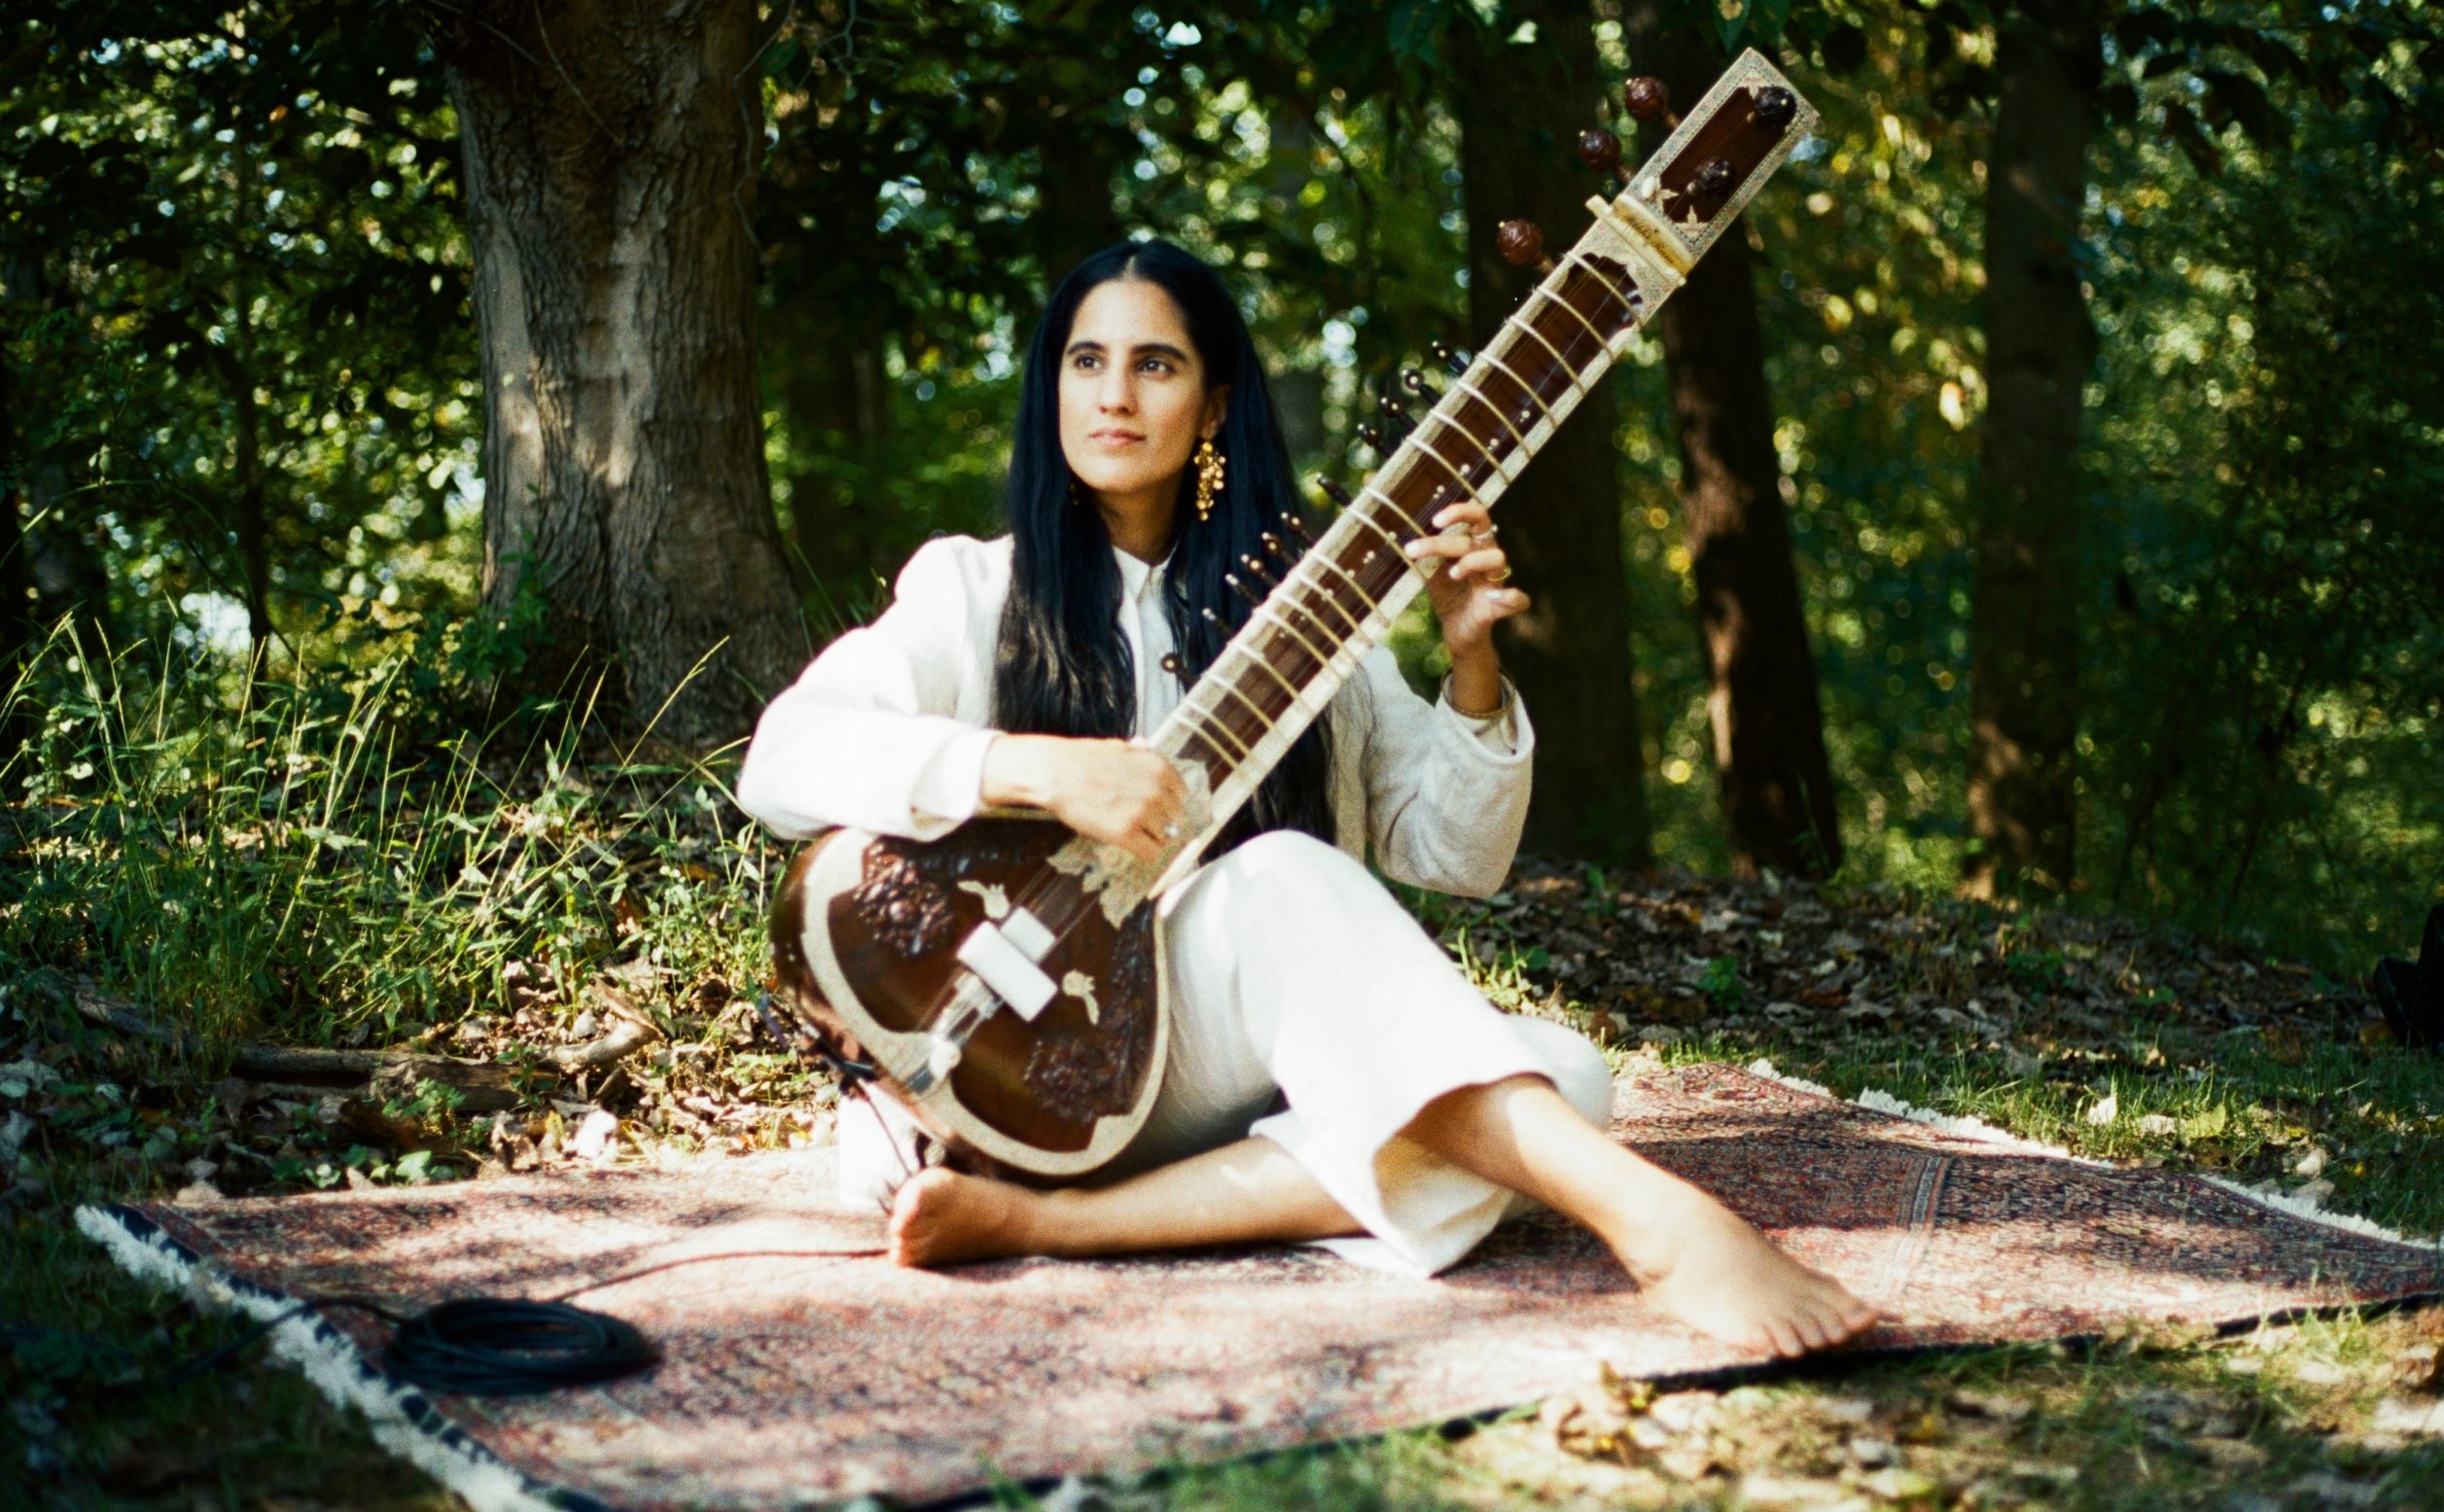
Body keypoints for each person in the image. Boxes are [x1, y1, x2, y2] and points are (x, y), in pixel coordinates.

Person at [737, 240, 1874, 1359]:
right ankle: (1657, 1221)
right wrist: (1028, 767)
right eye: (1084, 363)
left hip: (1197, 1080)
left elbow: (1452, 856)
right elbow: (783, 759)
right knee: (1294, 885)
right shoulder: (977, 589)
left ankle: (1053, 1227)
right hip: (1003, 1070)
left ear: (1217, 404)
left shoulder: (1303, 624)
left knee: (1564, 1076)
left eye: (1156, 365)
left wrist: (1470, 669)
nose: (1114, 395)